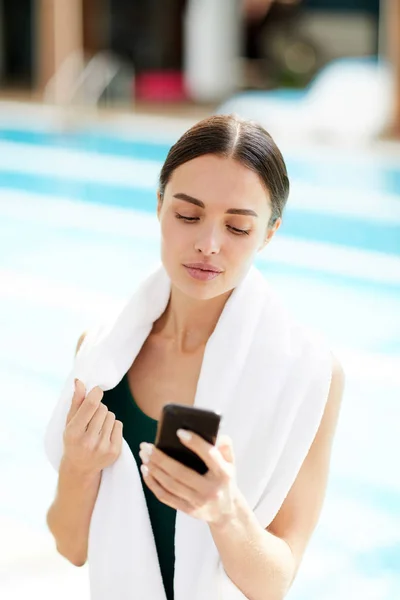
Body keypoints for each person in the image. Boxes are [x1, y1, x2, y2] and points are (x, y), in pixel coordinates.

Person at [45, 115, 344, 600]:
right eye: (188, 216)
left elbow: (274, 585)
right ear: (159, 205)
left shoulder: (308, 375)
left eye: (238, 227)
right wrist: (79, 467)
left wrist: (225, 511)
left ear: (268, 233)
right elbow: (70, 546)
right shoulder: (102, 353)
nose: (209, 244)